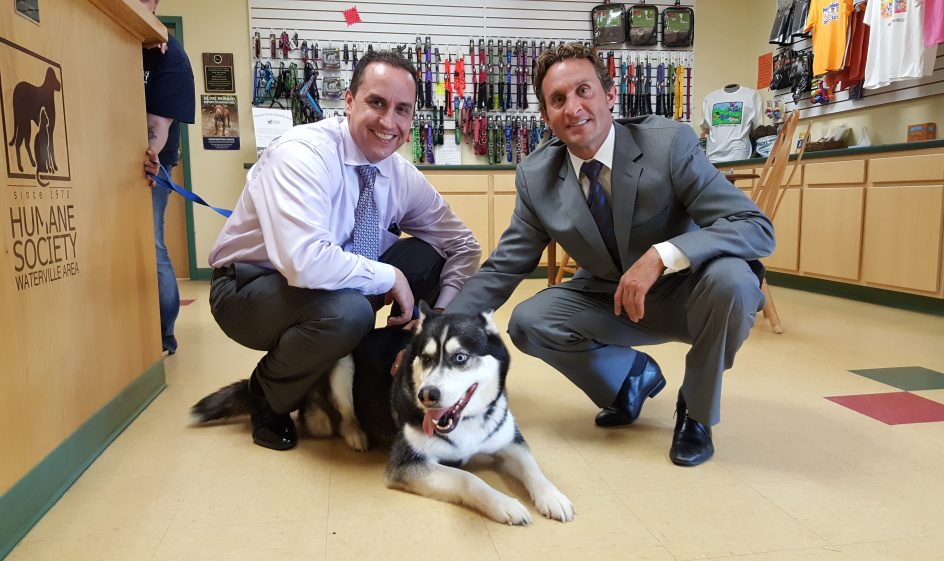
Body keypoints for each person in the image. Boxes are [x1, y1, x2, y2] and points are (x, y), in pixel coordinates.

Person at [446, 43, 774, 467]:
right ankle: (628, 380)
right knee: (530, 322)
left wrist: (663, 254)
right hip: (608, 298)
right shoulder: (535, 176)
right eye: (558, 100)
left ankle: (695, 411)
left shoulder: (668, 143)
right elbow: (503, 268)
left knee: (735, 281)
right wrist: (436, 332)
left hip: (689, 293)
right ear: (546, 117)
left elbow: (754, 226)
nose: (573, 108)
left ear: (610, 95)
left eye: (584, 91)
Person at [207, 50, 481, 451]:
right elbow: (305, 262)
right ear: (348, 101)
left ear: (411, 121)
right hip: (249, 288)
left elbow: (463, 246)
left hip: (331, 288)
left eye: (402, 110)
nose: (389, 122)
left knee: (428, 254)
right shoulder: (302, 154)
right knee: (348, 312)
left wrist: (438, 320)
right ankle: (265, 394)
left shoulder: (402, 175)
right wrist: (391, 276)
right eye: (376, 102)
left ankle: (377, 363)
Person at [140, 0, 195, 356]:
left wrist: (150, 154)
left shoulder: (170, 55)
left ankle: (164, 336)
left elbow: (157, 126)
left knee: (152, 241)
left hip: (153, 161)